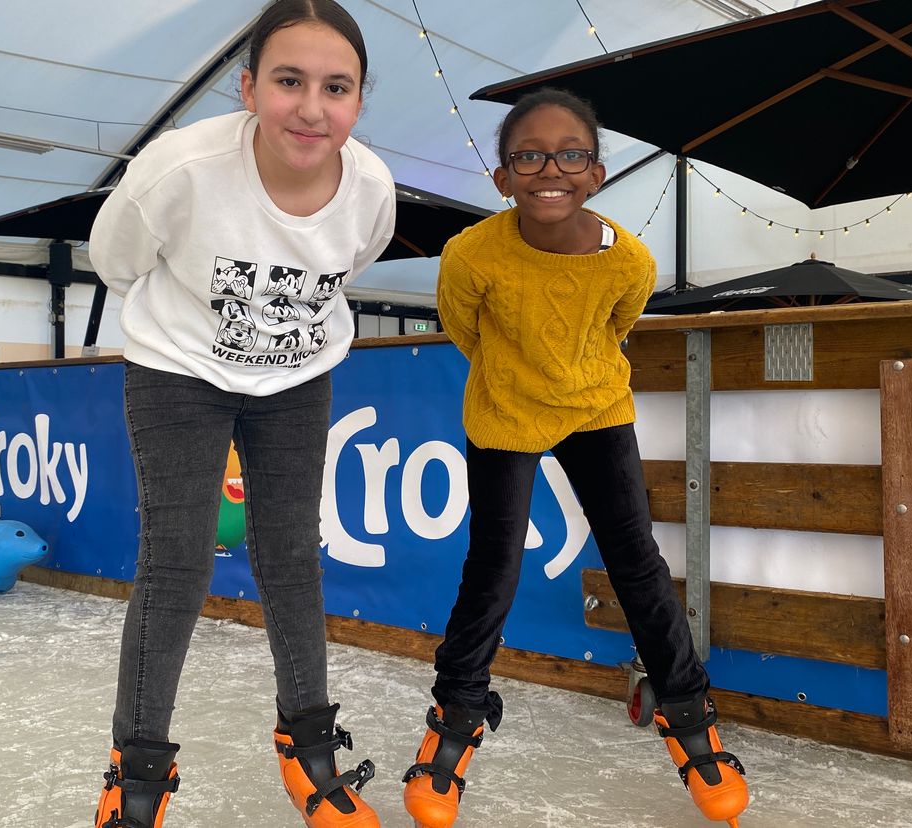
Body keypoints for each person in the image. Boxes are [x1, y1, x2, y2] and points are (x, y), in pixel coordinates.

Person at [402, 89, 749, 828]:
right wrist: (516, 381)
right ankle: (456, 719)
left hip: (596, 407)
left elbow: (619, 323)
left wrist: (570, 379)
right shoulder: (471, 254)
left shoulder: (629, 260)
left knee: (636, 559)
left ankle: (689, 713)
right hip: (504, 414)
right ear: (502, 178)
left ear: (596, 172)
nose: (549, 169)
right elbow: (466, 329)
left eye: (570, 154)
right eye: (527, 155)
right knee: (493, 566)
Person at [87, 1, 395, 825]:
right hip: (178, 368)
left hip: (298, 376)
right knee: (177, 562)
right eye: (289, 81)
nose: (312, 107)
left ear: (360, 101)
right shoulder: (179, 168)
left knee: (292, 555)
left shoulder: (371, 187)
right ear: (248, 86)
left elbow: (354, 260)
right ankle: (136, 769)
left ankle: (308, 746)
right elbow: (115, 260)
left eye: (337, 87)